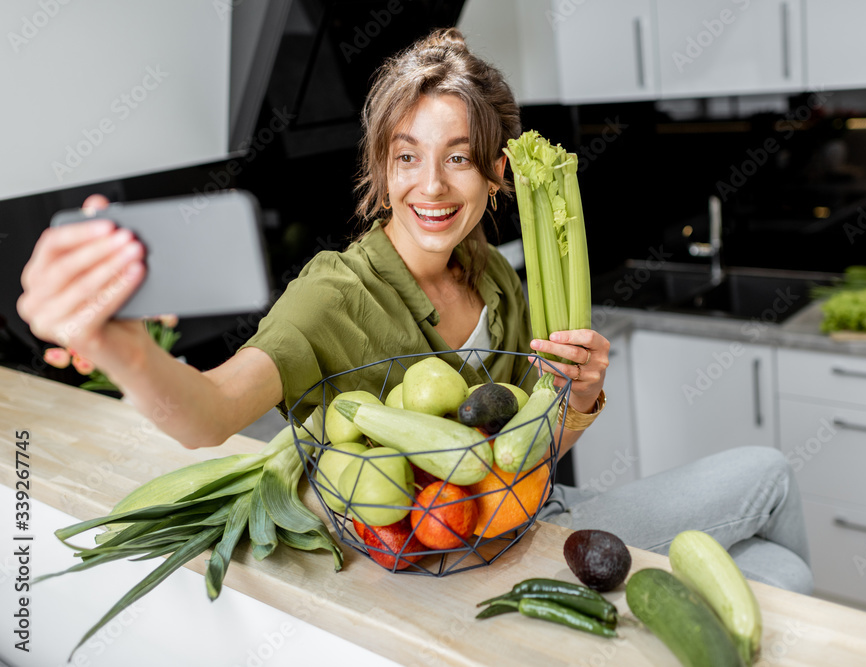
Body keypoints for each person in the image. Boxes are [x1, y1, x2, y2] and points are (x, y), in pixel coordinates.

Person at [17, 28, 812, 593]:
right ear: (382, 167)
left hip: (527, 521)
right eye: (407, 156)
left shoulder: (495, 276)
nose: (430, 186)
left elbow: (530, 449)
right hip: (436, 568)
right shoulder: (337, 291)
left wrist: (578, 395)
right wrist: (114, 343)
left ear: (495, 172)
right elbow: (209, 411)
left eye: (457, 157)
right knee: (774, 508)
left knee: (781, 568)